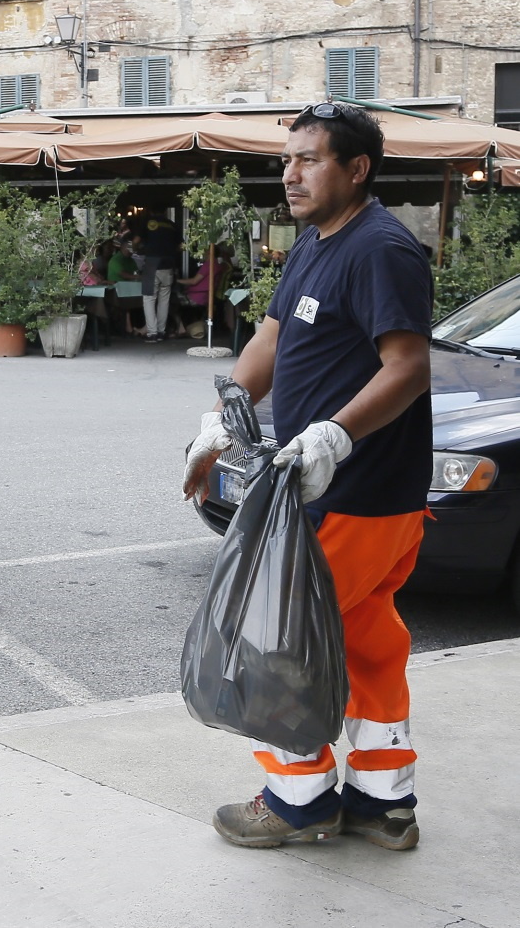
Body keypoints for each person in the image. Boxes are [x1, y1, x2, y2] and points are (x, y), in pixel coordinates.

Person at [182, 102, 432, 852]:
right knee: (367, 641)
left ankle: (296, 799)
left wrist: (333, 433)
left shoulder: (381, 248)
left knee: (278, 641)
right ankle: (383, 799)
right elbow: (275, 333)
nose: (290, 173)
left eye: (309, 159)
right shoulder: (315, 244)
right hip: (350, 495)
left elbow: (409, 366)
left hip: (350, 493)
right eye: (287, 159)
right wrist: (224, 415)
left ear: (356, 169)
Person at [138, 209, 180, 342]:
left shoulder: (147, 222)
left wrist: (137, 249)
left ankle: (152, 333)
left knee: (149, 299)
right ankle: (161, 332)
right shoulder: (172, 225)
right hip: (168, 264)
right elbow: (181, 246)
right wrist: (170, 252)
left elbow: (136, 240)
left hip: (151, 264)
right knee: (164, 299)